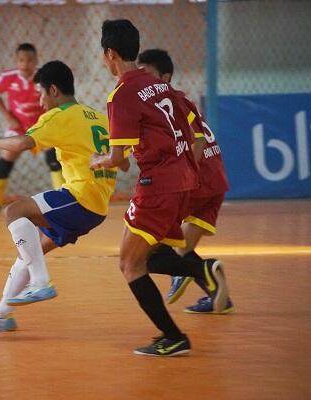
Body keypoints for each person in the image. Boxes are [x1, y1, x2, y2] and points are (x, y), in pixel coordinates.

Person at [90, 19, 230, 357]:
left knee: (129, 264)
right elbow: (196, 129)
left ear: (110, 53)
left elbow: (117, 157)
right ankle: (202, 269)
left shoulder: (121, 95)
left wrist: (98, 161)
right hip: (184, 182)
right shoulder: (162, 86)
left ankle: (173, 336)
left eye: (102, 55)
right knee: (150, 256)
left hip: (158, 186)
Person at [0, 60, 127, 331]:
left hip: (80, 197)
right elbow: (123, 161)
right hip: (97, 206)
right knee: (29, 252)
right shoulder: (99, 117)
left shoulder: (58, 116)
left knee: (14, 212)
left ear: (54, 90)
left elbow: (22, 143)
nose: (41, 102)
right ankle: (1, 316)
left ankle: (41, 282)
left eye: (41, 94)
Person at [137, 49, 233, 314]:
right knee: (180, 247)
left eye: (148, 75)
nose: (142, 81)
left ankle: (184, 272)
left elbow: (192, 144)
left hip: (196, 182)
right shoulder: (181, 100)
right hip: (216, 181)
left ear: (165, 77)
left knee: (149, 251)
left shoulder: (163, 104)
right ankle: (217, 294)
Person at [0, 43, 65, 218]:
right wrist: (7, 115)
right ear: (16, 61)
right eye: (21, 60)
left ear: (36, 61)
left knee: (54, 159)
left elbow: (57, 96)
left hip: (41, 125)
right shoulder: (8, 77)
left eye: (30, 60)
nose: (26, 64)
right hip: (17, 127)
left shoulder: (44, 76)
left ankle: (63, 201)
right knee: (5, 160)